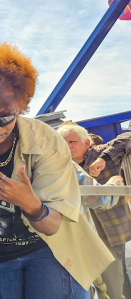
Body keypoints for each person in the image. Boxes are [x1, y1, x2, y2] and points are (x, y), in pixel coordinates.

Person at [0, 42, 113, 299]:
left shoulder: (47, 140)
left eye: (6, 116)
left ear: (20, 106)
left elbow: (53, 225)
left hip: (48, 251)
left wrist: (31, 205)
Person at [59, 122, 131, 299]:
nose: (68, 147)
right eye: (63, 143)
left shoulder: (101, 154)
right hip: (84, 231)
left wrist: (102, 160)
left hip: (111, 228)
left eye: (72, 141)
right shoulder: (61, 167)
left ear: (87, 143)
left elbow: (128, 137)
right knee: (111, 274)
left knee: (114, 275)